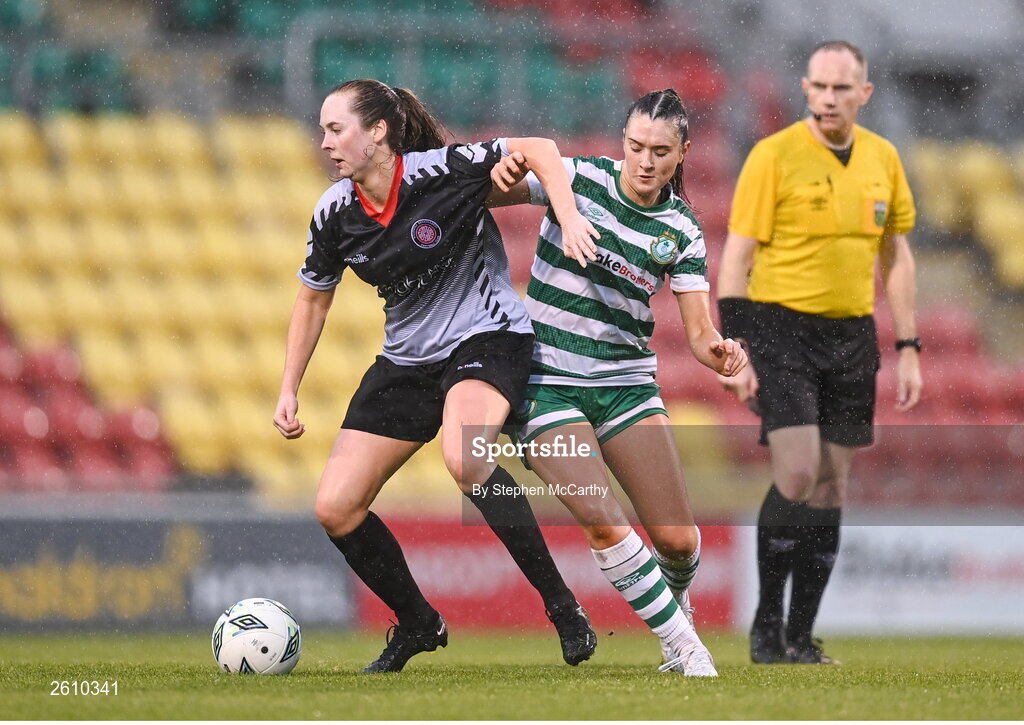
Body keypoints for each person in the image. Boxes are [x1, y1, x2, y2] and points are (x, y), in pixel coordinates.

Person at [273, 79, 601, 673]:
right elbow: (313, 299)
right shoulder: (335, 212)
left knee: (466, 457)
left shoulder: (442, 170)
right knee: (335, 508)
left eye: (335, 128)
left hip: (486, 337)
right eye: (322, 130)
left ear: (378, 133)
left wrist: (570, 216)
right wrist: (289, 387)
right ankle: (420, 624)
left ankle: (560, 604)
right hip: (408, 359)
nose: (324, 143)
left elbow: (542, 149)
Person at [488, 88, 747, 677]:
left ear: (682, 154)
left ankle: (675, 611)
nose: (645, 160)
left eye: (660, 150)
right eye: (635, 146)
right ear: (621, 143)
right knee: (603, 519)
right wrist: (499, 173)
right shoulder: (578, 179)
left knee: (680, 543)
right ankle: (684, 644)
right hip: (546, 380)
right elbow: (487, 193)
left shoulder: (680, 229)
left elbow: (700, 333)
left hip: (626, 384)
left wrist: (722, 354)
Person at [716, 41, 922, 665]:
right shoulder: (773, 156)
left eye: (843, 88)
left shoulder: (884, 157)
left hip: (852, 336)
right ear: (805, 91)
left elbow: (897, 254)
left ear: (865, 93)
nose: (830, 98)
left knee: (833, 487)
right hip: (782, 330)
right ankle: (763, 625)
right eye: (820, 87)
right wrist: (737, 350)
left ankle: (800, 636)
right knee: (799, 473)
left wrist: (909, 344)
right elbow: (736, 259)